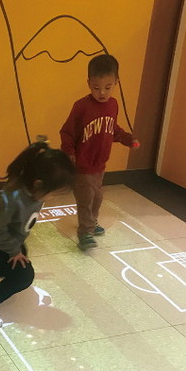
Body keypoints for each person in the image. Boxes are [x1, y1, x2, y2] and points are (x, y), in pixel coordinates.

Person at [0, 141, 75, 328]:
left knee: (13, 268)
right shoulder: (11, 200)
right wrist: (13, 251)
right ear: (38, 184)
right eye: (52, 194)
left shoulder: (32, 186)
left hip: (13, 238)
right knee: (23, 276)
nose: (51, 199)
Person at [60, 54, 140, 251]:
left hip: (99, 164)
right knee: (86, 198)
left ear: (116, 83)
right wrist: (69, 153)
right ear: (89, 83)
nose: (102, 93)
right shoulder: (81, 106)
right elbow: (67, 132)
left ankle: (92, 222)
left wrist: (128, 139)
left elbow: (113, 130)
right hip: (82, 165)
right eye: (96, 88)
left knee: (97, 197)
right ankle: (85, 232)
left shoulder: (113, 105)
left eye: (107, 87)